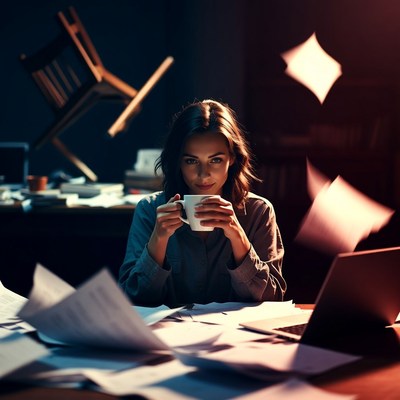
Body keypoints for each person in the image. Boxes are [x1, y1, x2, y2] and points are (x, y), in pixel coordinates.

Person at [119, 99, 286, 307]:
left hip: (234, 337)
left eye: (215, 160)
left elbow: (272, 299)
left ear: (232, 158)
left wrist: (238, 237)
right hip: (169, 336)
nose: (203, 175)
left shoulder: (258, 212)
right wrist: (159, 239)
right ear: (178, 161)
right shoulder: (150, 210)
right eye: (191, 161)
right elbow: (132, 299)